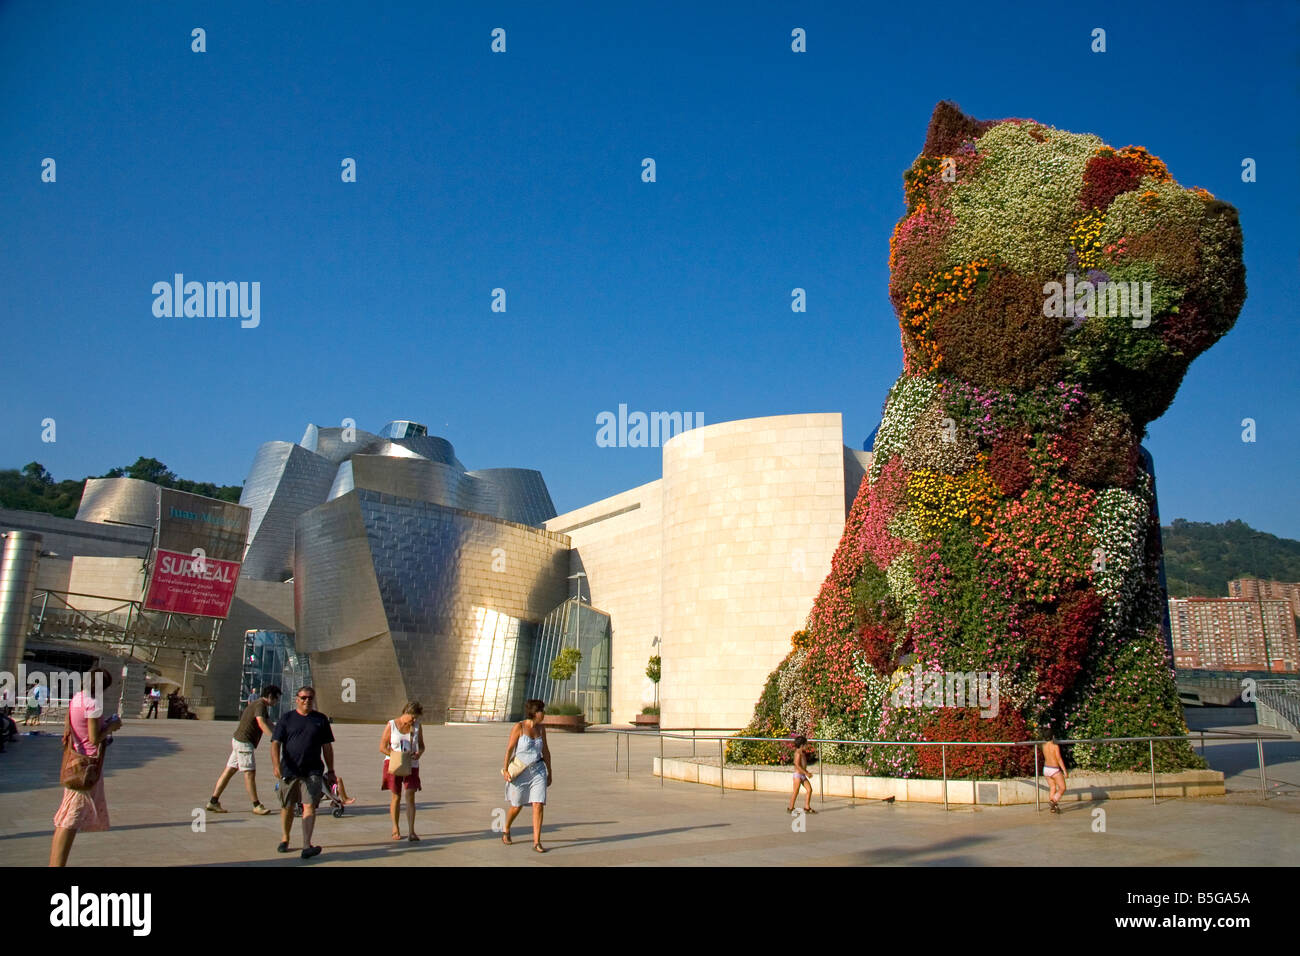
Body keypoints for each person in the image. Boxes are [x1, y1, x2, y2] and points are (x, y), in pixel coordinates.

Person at [49, 668, 121, 866]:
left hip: (75, 762)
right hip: (85, 768)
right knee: (69, 819)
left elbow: (75, 728)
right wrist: (112, 727)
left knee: (67, 817)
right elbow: (94, 737)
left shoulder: (78, 698)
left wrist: (104, 723)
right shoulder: (92, 703)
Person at [270, 686, 335, 859]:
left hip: (313, 770)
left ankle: (307, 845)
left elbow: (327, 746)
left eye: (310, 698)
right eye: (304, 698)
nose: (307, 701)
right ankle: (285, 838)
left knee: (309, 806)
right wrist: (276, 765)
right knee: (288, 806)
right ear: (296, 699)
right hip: (289, 770)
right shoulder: (287, 718)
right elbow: (275, 743)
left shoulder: (320, 720)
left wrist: (331, 770)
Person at [207, 685, 280, 815]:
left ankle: (213, 801)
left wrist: (280, 734)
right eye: (276, 699)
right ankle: (256, 805)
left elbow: (269, 723)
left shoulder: (260, 705)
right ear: (270, 696)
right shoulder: (260, 705)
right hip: (244, 743)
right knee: (249, 773)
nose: (276, 702)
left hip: (238, 740)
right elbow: (261, 723)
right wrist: (274, 739)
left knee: (229, 771)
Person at [501, 699, 552, 853]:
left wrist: (549, 771)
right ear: (535, 713)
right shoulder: (519, 727)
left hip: (538, 770)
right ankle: (506, 828)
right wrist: (505, 770)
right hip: (520, 771)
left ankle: (537, 841)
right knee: (517, 806)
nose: (544, 714)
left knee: (538, 804)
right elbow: (509, 749)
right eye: (542, 711)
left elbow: (546, 751)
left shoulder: (541, 729)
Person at [379, 701, 426, 842]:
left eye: (416, 717)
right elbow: (382, 746)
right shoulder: (392, 725)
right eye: (412, 717)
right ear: (405, 712)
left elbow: (422, 746)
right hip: (394, 764)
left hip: (412, 764)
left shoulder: (417, 727)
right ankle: (395, 828)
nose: (414, 720)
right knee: (396, 796)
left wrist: (419, 753)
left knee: (411, 794)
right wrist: (395, 756)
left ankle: (411, 831)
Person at [787, 735, 816, 814]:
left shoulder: (802, 753)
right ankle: (791, 807)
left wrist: (806, 772)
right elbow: (797, 765)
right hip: (798, 775)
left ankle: (807, 807)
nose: (807, 746)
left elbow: (802, 765)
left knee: (809, 790)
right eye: (806, 744)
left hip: (802, 775)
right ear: (802, 745)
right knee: (796, 791)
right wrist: (806, 773)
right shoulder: (798, 754)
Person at [1042, 733, 1068, 813]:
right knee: (1062, 788)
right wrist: (1064, 770)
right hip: (1054, 769)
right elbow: (1059, 758)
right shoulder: (1055, 746)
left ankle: (1053, 807)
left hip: (1046, 768)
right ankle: (1054, 801)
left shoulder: (1044, 746)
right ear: (1053, 737)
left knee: (1052, 787)